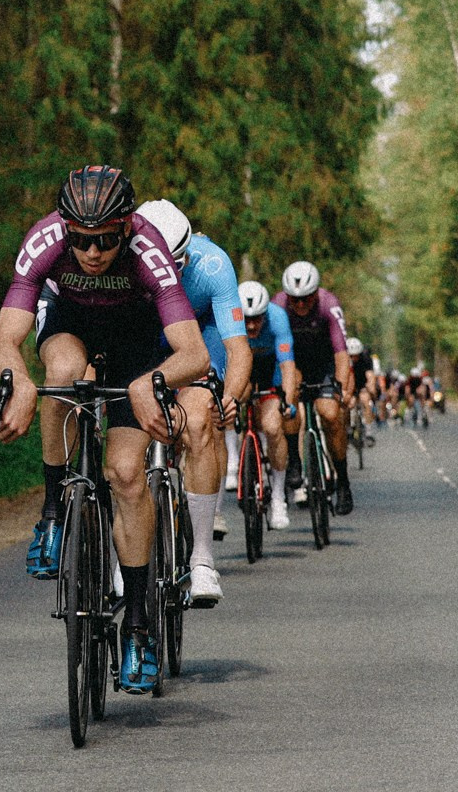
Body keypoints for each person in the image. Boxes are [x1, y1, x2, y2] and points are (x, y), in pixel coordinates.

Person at [0, 166, 210, 695]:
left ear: (127, 228)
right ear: (65, 228)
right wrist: (17, 380)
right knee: (61, 374)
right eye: (81, 240)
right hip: (70, 323)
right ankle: (51, 514)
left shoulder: (148, 251)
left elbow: (195, 354)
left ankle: (137, 626)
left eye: (105, 240)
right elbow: (4, 340)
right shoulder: (45, 240)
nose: (91, 252)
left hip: (135, 337)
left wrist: (150, 381)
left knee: (128, 474)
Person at [134, 199, 248, 609]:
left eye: (178, 264)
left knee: (199, 420)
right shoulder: (125, 256)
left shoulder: (213, 264)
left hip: (202, 340)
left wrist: (229, 397)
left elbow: (238, 348)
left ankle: (201, 557)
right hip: (148, 339)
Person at [275, 261, 355, 516]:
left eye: (306, 299)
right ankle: (295, 462)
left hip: (324, 363)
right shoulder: (277, 306)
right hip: (292, 362)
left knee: (330, 414)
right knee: (288, 403)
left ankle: (342, 481)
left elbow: (342, 354)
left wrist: (340, 390)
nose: (300, 305)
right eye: (294, 300)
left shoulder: (328, 304)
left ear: (316, 293)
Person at [232, 279, 298, 529]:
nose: (251, 325)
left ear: (265, 313)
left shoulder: (278, 317)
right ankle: (233, 463)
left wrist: (288, 401)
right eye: (246, 319)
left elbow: (287, 364)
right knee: (233, 400)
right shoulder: (230, 317)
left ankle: (279, 497)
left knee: (272, 426)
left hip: (271, 370)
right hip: (243, 367)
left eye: (257, 318)